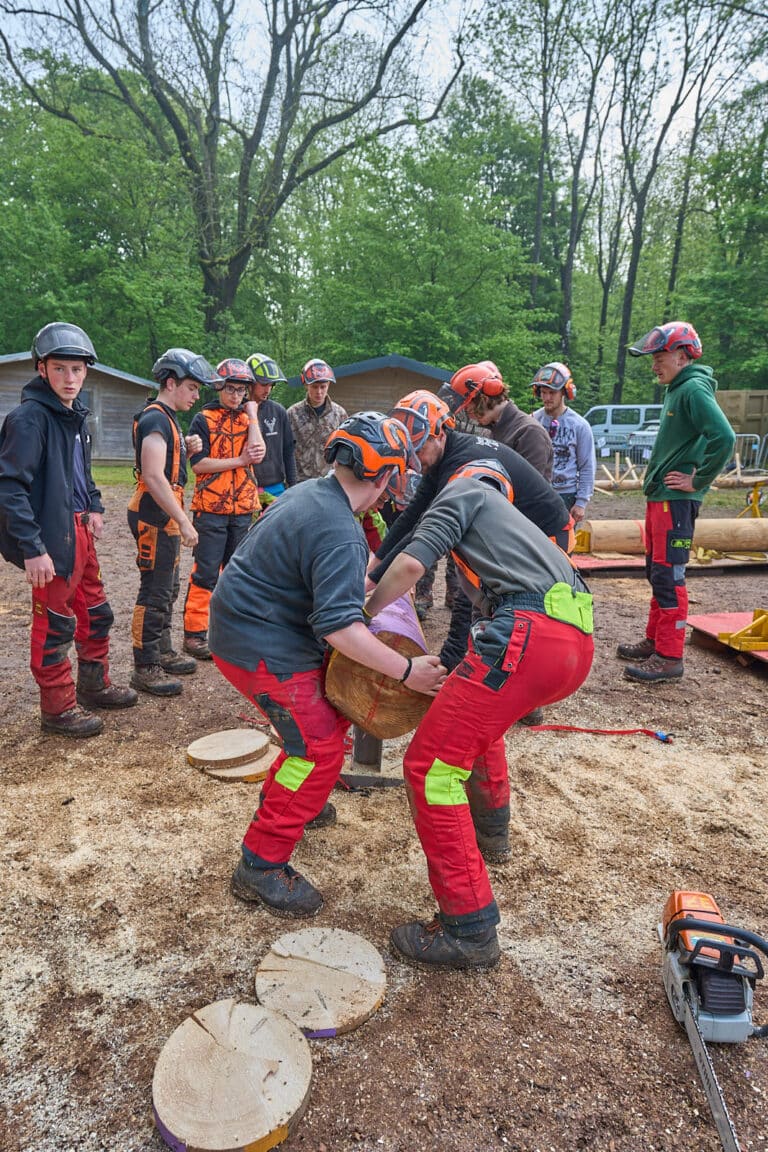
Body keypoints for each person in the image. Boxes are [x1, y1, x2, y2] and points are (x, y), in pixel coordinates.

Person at [208, 413, 445, 918]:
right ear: (387, 476)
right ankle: (261, 863)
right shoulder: (340, 528)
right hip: (260, 645)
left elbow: (313, 576)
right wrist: (407, 673)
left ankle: (291, 803)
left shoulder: (310, 493)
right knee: (316, 750)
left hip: (251, 630)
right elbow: (341, 630)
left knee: (323, 728)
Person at [364, 458, 594, 969]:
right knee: (477, 725)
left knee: (429, 771)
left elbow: (408, 567)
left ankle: (469, 928)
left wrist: (362, 616)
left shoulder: (462, 495)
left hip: (529, 634)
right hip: (574, 641)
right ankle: (492, 835)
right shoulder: (517, 528)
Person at [371, 391, 575, 675]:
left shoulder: (464, 468)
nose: (415, 461)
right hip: (519, 531)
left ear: (440, 433)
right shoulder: (442, 458)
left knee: (517, 612)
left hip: (546, 534)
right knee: (485, 600)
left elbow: (428, 541)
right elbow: (410, 519)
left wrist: (371, 605)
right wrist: (371, 575)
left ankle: (516, 681)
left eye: (418, 450)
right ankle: (475, 665)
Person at [0, 322, 137, 737]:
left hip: (81, 532)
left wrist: (94, 506)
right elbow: (9, 488)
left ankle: (94, 684)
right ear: (42, 369)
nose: (70, 379)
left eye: (77, 370)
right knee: (56, 623)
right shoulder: (28, 420)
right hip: (50, 539)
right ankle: (57, 709)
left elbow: (82, 476)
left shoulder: (76, 419)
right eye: (60, 369)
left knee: (97, 613)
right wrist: (32, 548)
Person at [618, 322, 735, 684]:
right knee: (656, 572)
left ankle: (670, 656)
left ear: (683, 356)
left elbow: (725, 437)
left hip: (676, 502)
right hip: (661, 498)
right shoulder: (677, 388)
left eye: (660, 356)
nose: (654, 364)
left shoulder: (694, 389)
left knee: (670, 575)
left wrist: (697, 481)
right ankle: (656, 641)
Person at [128, 348, 219, 696]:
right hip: (154, 512)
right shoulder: (154, 417)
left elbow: (168, 460)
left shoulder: (167, 418)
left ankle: (163, 650)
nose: (197, 396)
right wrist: (183, 520)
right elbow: (153, 475)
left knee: (168, 587)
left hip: (165, 511)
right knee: (153, 589)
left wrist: (187, 444)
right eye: (193, 387)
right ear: (171, 382)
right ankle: (145, 665)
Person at [181, 358, 266, 661]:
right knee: (205, 572)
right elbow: (199, 464)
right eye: (229, 389)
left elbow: (257, 454)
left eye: (241, 390)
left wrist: (253, 415)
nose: (235, 395)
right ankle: (194, 634)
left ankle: (231, 633)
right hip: (211, 507)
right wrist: (238, 462)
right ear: (219, 387)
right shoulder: (203, 419)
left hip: (243, 506)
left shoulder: (247, 418)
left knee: (236, 573)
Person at [440, 361, 553, 479]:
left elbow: (528, 487)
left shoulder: (529, 432)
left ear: (484, 399)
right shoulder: (494, 429)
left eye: (468, 409)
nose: (469, 416)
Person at [531, 362, 595, 522]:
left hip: (566, 495)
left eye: (552, 393)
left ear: (565, 392)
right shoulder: (532, 420)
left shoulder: (580, 425)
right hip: (537, 492)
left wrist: (581, 502)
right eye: (543, 392)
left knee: (563, 545)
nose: (546, 398)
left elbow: (587, 466)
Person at [245, 352, 297, 504]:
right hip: (246, 487)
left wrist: (292, 486)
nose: (268, 389)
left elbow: (288, 451)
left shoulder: (278, 411)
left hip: (277, 488)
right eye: (263, 384)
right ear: (250, 383)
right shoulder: (237, 412)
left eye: (271, 384)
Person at [287, 358, 348, 482]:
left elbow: (345, 450)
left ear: (328, 385)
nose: (319, 392)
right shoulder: (292, 414)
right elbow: (286, 451)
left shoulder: (339, 414)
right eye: (314, 387)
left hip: (329, 482)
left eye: (323, 387)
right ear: (306, 385)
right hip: (300, 483)